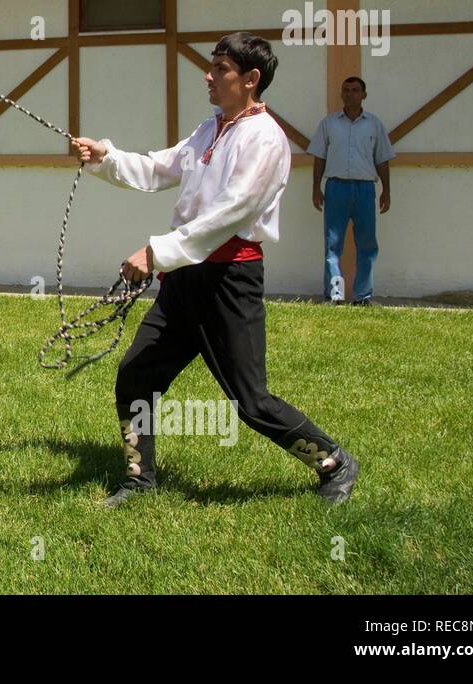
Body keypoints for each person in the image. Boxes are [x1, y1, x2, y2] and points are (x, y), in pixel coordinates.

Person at [73, 32, 358, 508]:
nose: (209, 75)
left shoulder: (267, 140)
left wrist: (155, 253)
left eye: (221, 68)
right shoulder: (211, 129)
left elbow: (230, 214)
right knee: (137, 375)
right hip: (184, 277)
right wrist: (108, 158)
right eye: (212, 65)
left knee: (251, 401)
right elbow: (161, 168)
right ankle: (140, 480)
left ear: (251, 79)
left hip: (228, 281)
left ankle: (333, 461)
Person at [307, 77, 395, 306]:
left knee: (367, 245)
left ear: (364, 95)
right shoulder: (329, 124)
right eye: (346, 90)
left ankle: (362, 297)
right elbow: (319, 158)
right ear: (341, 94)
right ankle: (335, 296)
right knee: (332, 244)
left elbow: (382, 160)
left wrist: (386, 190)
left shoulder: (374, 125)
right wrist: (316, 188)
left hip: (365, 189)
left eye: (356, 90)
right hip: (336, 187)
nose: (350, 94)